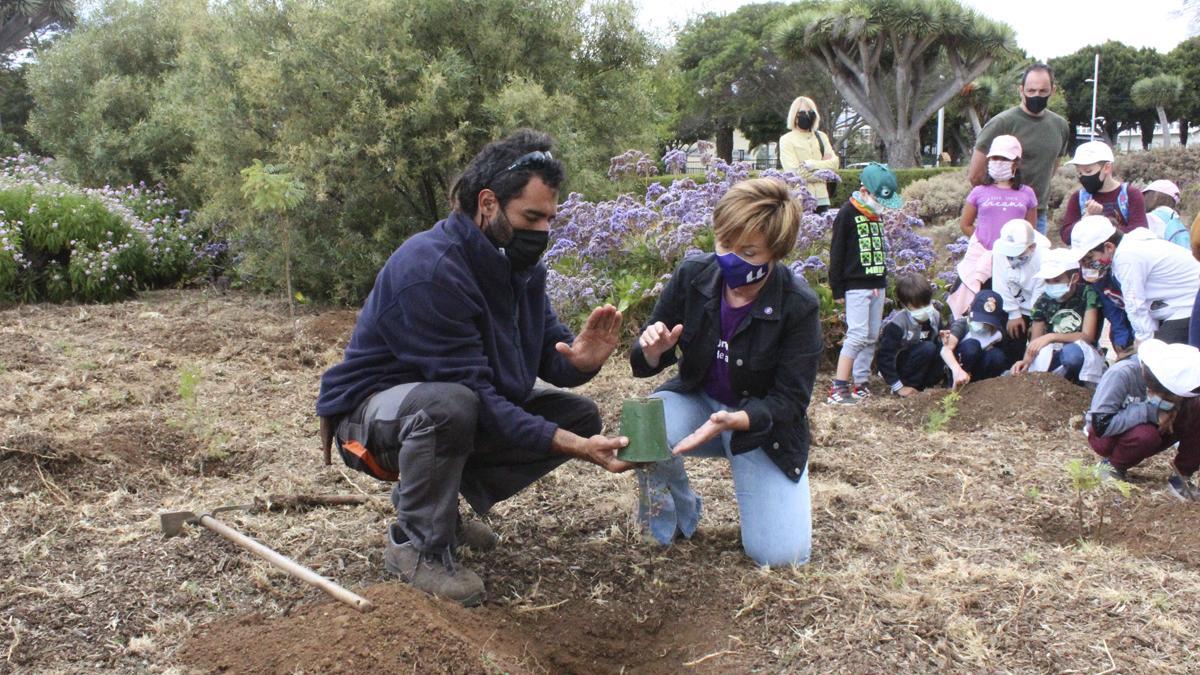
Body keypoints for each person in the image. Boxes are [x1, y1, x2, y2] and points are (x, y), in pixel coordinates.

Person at [315, 130, 633, 607]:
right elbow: (477, 396)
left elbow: (549, 351)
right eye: (531, 216)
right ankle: (417, 545)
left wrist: (582, 359)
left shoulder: (518, 267)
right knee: (451, 407)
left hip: (446, 407)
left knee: (578, 416)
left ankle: (435, 509)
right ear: (488, 203)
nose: (543, 231)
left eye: (549, 218)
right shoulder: (432, 268)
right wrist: (574, 448)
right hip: (369, 422)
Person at [630, 177, 821, 566]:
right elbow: (640, 361)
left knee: (783, 556)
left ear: (776, 252)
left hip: (759, 427)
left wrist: (741, 420)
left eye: (748, 251)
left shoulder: (799, 305)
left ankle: (757, 473)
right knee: (644, 425)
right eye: (724, 244)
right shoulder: (693, 275)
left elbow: (792, 400)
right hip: (698, 402)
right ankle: (674, 516)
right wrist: (652, 351)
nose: (731, 257)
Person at [1085, 339, 1200, 501]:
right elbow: (1100, 425)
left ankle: (1182, 477)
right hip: (1110, 436)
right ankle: (1111, 466)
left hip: (1158, 428)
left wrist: (1175, 409)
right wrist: (1149, 412)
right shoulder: (1123, 373)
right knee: (1145, 435)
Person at [827, 163, 902, 404]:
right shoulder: (847, 213)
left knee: (871, 335)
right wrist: (837, 287)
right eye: (878, 198)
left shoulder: (876, 215)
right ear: (864, 190)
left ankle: (861, 382)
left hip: (877, 283)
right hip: (855, 285)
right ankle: (839, 387)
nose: (881, 205)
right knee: (857, 335)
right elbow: (837, 252)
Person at [969, 63, 1070, 236]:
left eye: (1042, 91)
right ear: (1021, 90)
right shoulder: (1001, 123)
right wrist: (1001, 199)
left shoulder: (1060, 126)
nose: (1036, 95)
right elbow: (975, 175)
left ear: (1052, 90)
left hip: (1037, 213)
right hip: (1001, 212)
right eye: (1031, 91)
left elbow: (1052, 165)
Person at [1070, 215, 1200, 345]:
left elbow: (1135, 304)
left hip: (1188, 304)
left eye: (1090, 259)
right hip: (1182, 304)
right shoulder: (1129, 247)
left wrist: (1144, 342)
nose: (1087, 265)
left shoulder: (1126, 257)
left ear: (1109, 247)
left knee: (1161, 359)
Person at [948, 135, 1038, 318]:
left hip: (1013, 262)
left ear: (1016, 162)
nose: (998, 162)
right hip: (981, 259)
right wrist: (984, 241)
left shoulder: (1027, 193)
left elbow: (1030, 231)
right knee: (975, 308)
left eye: (1004, 158)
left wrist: (1011, 249)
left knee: (1009, 310)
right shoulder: (979, 192)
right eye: (994, 158)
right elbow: (965, 224)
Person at [1010, 248, 1104, 385]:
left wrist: (1052, 337)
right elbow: (1035, 342)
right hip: (1052, 355)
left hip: (1082, 352)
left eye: (1057, 280)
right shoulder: (1043, 301)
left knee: (1072, 355)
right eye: (1048, 281)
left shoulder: (1087, 294)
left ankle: (1079, 384)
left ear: (1075, 278)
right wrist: (1025, 361)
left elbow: (1087, 336)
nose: (1052, 285)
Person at [1059, 141, 1148, 246]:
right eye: (1079, 172)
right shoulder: (1078, 198)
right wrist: (1086, 219)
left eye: (1088, 171)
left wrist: (1102, 224)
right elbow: (1066, 236)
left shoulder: (1131, 195)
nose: (1083, 177)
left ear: (1107, 168)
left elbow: (1140, 234)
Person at [990, 219, 1051, 364]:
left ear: (1032, 247)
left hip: (1038, 305)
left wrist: (1036, 321)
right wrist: (1013, 314)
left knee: (1038, 348)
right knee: (1013, 342)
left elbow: (1040, 291)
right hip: (1012, 302)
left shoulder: (1044, 256)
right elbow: (1000, 282)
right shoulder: (999, 249)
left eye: (1018, 253)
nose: (1012, 258)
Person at [876, 272, 945, 396]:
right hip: (902, 368)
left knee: (940, 349)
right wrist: (898, 386)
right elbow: (885, 358)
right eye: (917, 306)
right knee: (928, 348)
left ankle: (928, 386)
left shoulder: (935, 317)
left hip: (924, 366)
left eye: (926, 303)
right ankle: (907, 387)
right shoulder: (898, 324)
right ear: (905, 305)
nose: (924, 309)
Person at [779, 96, 841, 212]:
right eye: (802, 112)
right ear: (795, 115)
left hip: (823, 199)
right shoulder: (786, 140)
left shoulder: (821, 137)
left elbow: (835, 164)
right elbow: (795, 173)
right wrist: (824, 168)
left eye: (810, 112)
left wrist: (810, 164)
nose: (807, 115)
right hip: (800, 199)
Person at [940, 290, 1014, 385]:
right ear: (970, 309)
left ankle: (982, 386)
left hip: (979, 366)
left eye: (988, 322)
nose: (983, 325)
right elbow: (946, 350)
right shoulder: (961, 325)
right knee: (972, 345)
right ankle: (954, 382)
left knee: (997, 355)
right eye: (979, 320)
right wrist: (956, 370)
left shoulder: (998, 333)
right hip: (961, 363)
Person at [1142, 180, 1189, 249]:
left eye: (1146, 194)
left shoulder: (1151, 219)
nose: (1143, 198)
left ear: (1156, 196)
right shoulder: (1176, 220)